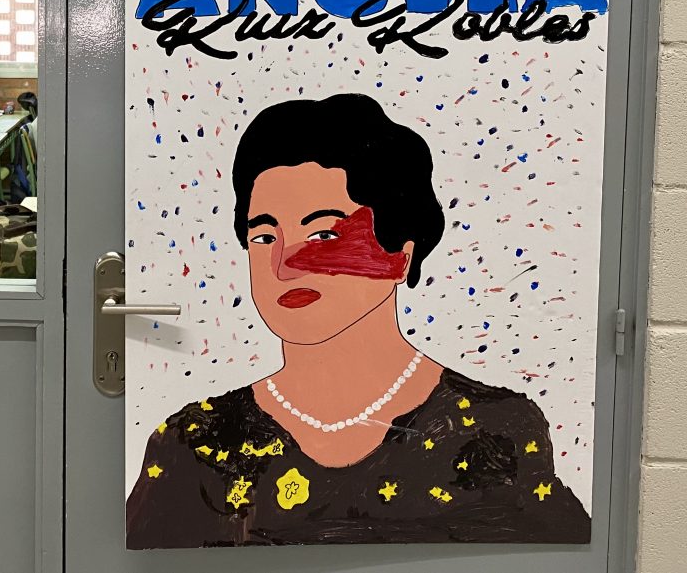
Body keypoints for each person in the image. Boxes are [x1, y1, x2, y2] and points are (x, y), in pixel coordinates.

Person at [126, 93, 590, 548]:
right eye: (264, 237)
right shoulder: (194, 445)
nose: (284, 265)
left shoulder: (496, 432)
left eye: (325, 234)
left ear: (401, 254)